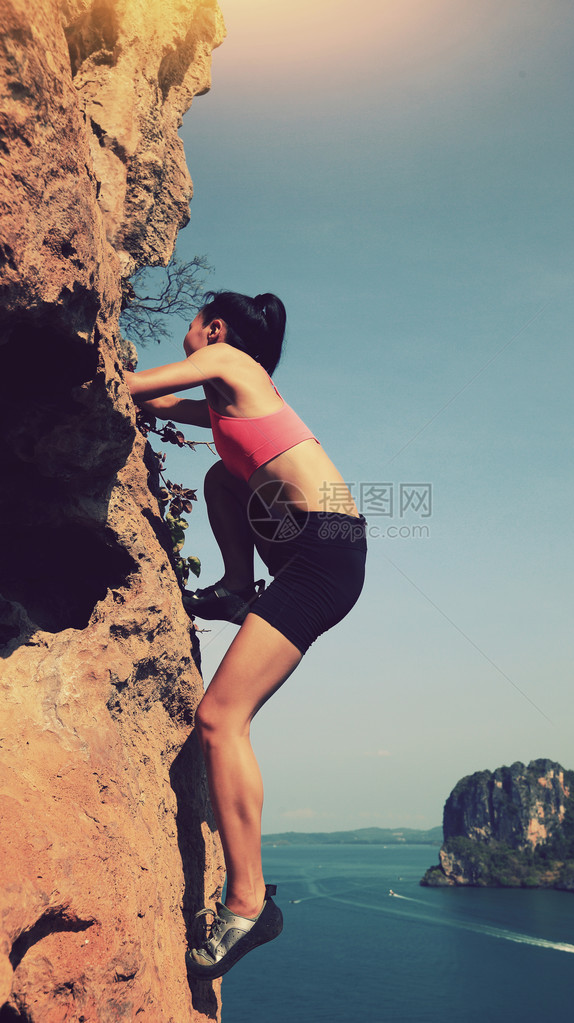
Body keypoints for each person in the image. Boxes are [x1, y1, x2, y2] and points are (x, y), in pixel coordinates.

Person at [124, 291, 366, 980]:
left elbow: (133, 386)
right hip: (309, 544)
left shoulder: (231, 360)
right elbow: (159, 405)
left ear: (217, 329)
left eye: (192, 323)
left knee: (220, 718)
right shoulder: (235, 396)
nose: (187, 332)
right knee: (223, 477)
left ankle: (248, 900)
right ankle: (235, 586)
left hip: (321, 555)